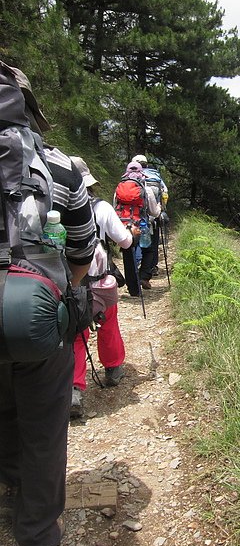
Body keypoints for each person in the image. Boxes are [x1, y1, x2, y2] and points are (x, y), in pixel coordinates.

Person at [0, 64, 96, 546]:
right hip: (37, 320)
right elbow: (82, 248)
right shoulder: (57, 165)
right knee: (42, 427)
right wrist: (56, 300)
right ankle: (35, 540)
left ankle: (9, 485)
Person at [70, 156, 139, 418]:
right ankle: (112, 368)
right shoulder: (100, 207)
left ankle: (75, 388)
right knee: (108, 322)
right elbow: (124, 242)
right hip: (99, 280)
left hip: (69, 281)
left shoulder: (53, 206)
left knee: (76, 333)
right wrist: (131, 235)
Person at [118, 160, 161, 295]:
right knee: (148, 251)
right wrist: (159, 210)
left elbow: (115, 206)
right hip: (141, 226)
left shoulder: (119, 188)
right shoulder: (145, 189)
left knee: (128, 255)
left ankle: (133, 289)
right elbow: (154, 212)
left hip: (124, 226)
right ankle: (143, 276)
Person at [133, 154, 169, 277]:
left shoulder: (131, 177)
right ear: (146, 164)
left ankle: (137, 266)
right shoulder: (155, 176)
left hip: (134, 217)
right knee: (152, 241)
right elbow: (165, 192)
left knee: (137, 242)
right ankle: (151, 266)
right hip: (153, 215)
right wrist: (161, 209)